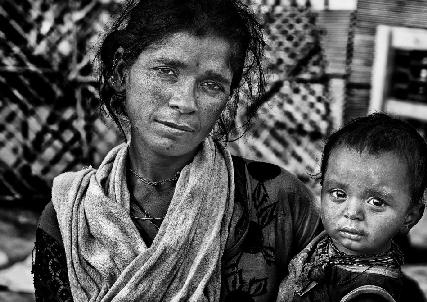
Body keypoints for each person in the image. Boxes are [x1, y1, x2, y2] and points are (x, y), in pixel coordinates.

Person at [32, 0, 322, 301]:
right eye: (167, 71)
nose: (185, 102)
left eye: (211, 85)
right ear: (121, 71)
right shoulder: (72, 215)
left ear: (228, 96)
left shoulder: (280, 201)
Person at [276, 113, 427, 302]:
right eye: (338, 194)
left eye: (376, 202)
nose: (352, 213)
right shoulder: (323, 242)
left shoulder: (371, 294)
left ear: (410, 216)